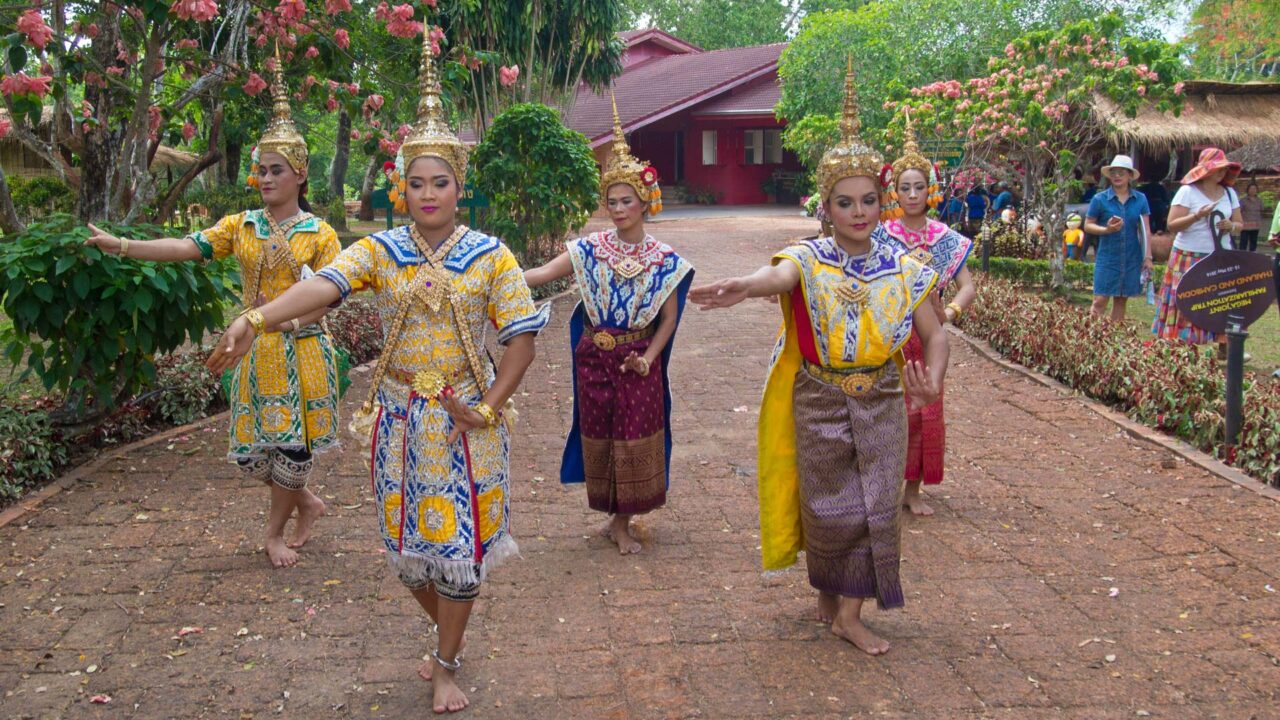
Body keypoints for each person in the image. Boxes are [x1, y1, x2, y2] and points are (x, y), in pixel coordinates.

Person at [206, 35, 548, 714]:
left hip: (464, 424)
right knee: (405, 553)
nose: (427, 193)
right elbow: (324, 285)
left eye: (440, 181)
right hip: (394, 420)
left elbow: (521, 342)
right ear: (401, 185)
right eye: (415, 182)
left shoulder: (490, 256)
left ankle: (448, 660)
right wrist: (259, 318)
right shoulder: (380, 250)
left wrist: (490, 405)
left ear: (459, 185)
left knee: (459, 550)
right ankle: (446, 630)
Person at [688, 62, 947, 656]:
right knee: (828, 508)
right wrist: (745, 286)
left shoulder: (905, 268)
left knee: (878, 503)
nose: (859, 212)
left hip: (882, 395)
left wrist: (931, 380)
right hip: (819, 394)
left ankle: (852, 615)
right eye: (844, 202)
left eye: (869, 200)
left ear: (882, 203)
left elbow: (934, 332)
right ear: (825, 208)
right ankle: (832, 599)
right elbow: (777, 275)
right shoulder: (809, 258)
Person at [85, 51, 341, 570]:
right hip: (249, 350)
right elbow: (185, 246)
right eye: (260, 171)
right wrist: (122, 246)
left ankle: (275, 533)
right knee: (255, 454)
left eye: (275, 171)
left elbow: (329, 296)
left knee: (293, 451)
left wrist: (287, 319)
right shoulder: (241, 225)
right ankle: (307, 502)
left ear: (299, 175)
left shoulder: (322, 235)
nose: (264, 179)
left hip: (302, 351)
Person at [524, 94, 694, 555]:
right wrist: (491, 271)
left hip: (638, 360)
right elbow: (540, 276)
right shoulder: (589, 249)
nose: (619, 209)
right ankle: (611, 516)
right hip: (594, 357)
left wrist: (649, 359)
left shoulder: (664, 260)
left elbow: (670, 318)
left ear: (645, 202)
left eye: (627, 200)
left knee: (634, 439)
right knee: (599, 436)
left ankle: (623, 521)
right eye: (612, 201)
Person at [880, 117, 974, 516]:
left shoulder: (944, 237)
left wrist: (949, 312)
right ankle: (882, 485)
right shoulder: (881, 235)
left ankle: (912, 489)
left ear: (930, 189)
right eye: (905, 187)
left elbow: (967, 286)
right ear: (894, 191)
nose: (913, 194)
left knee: (926, 410)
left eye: (920, 186)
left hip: (928, 337)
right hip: (889, 337)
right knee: (888, 411)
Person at [1153, 147, 1244, 353]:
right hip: (1189, 255)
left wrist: (1231, 226)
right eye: (1217, 169)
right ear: (1205, 171)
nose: (1221, 173)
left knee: (1222, 301)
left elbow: (1240, 223)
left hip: (1220, 255)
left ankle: (1225, 345)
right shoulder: (1188, 192)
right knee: (1188, 301)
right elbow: (1172, 225)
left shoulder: (1229, 193)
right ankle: (1184, 346)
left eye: (1223, 169)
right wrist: (1197, 216)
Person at [1084, 155, 1152, 322]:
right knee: (1099, 300)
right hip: (1108, 256)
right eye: (1113, 172)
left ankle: (1113, 340)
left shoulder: (1140, 199)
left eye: (1121, 172)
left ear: (1129, 176)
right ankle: (1089, 338)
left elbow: (1145, 230)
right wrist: (1106, 229)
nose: (1117, 176)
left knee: (1121, 299)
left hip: (1131, 256)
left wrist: (1148, 257)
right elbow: (1088, 225)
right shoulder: (1099, 199)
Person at [1240, 181, 1263, 253]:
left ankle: (1252, 255)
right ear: (1248, 190)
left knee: (1253, 241)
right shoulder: (1243, 200)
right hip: (1245, 224)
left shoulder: (1259, 200)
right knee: (1243, 241)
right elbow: (1239, 211)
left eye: (1254, 189)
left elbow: (1261, 210)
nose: (1253, 190)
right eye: (1251, 189)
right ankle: (1242, 255)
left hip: (1255, 224)